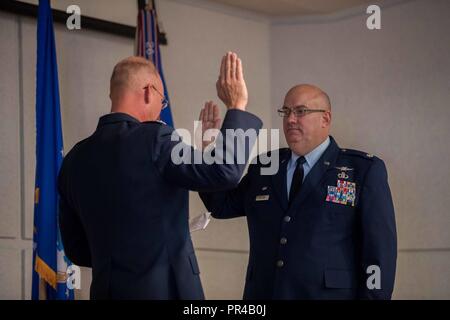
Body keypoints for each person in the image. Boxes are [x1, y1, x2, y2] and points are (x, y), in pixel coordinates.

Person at [58, 52, 262, 299]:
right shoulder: (155, 139)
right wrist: (236, 106)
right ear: (148, 91)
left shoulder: (74, 159)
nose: (160, 109)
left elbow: (77, 249)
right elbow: (225, 171)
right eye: (162, 101)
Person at [200, 84, 397, 299]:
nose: (290, 119)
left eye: (301, 111)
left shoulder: (362, 171)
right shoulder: (266, 166)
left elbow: (379, 255)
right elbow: (220, 205)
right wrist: (211, 151)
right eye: (286, 112)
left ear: (326, 119)